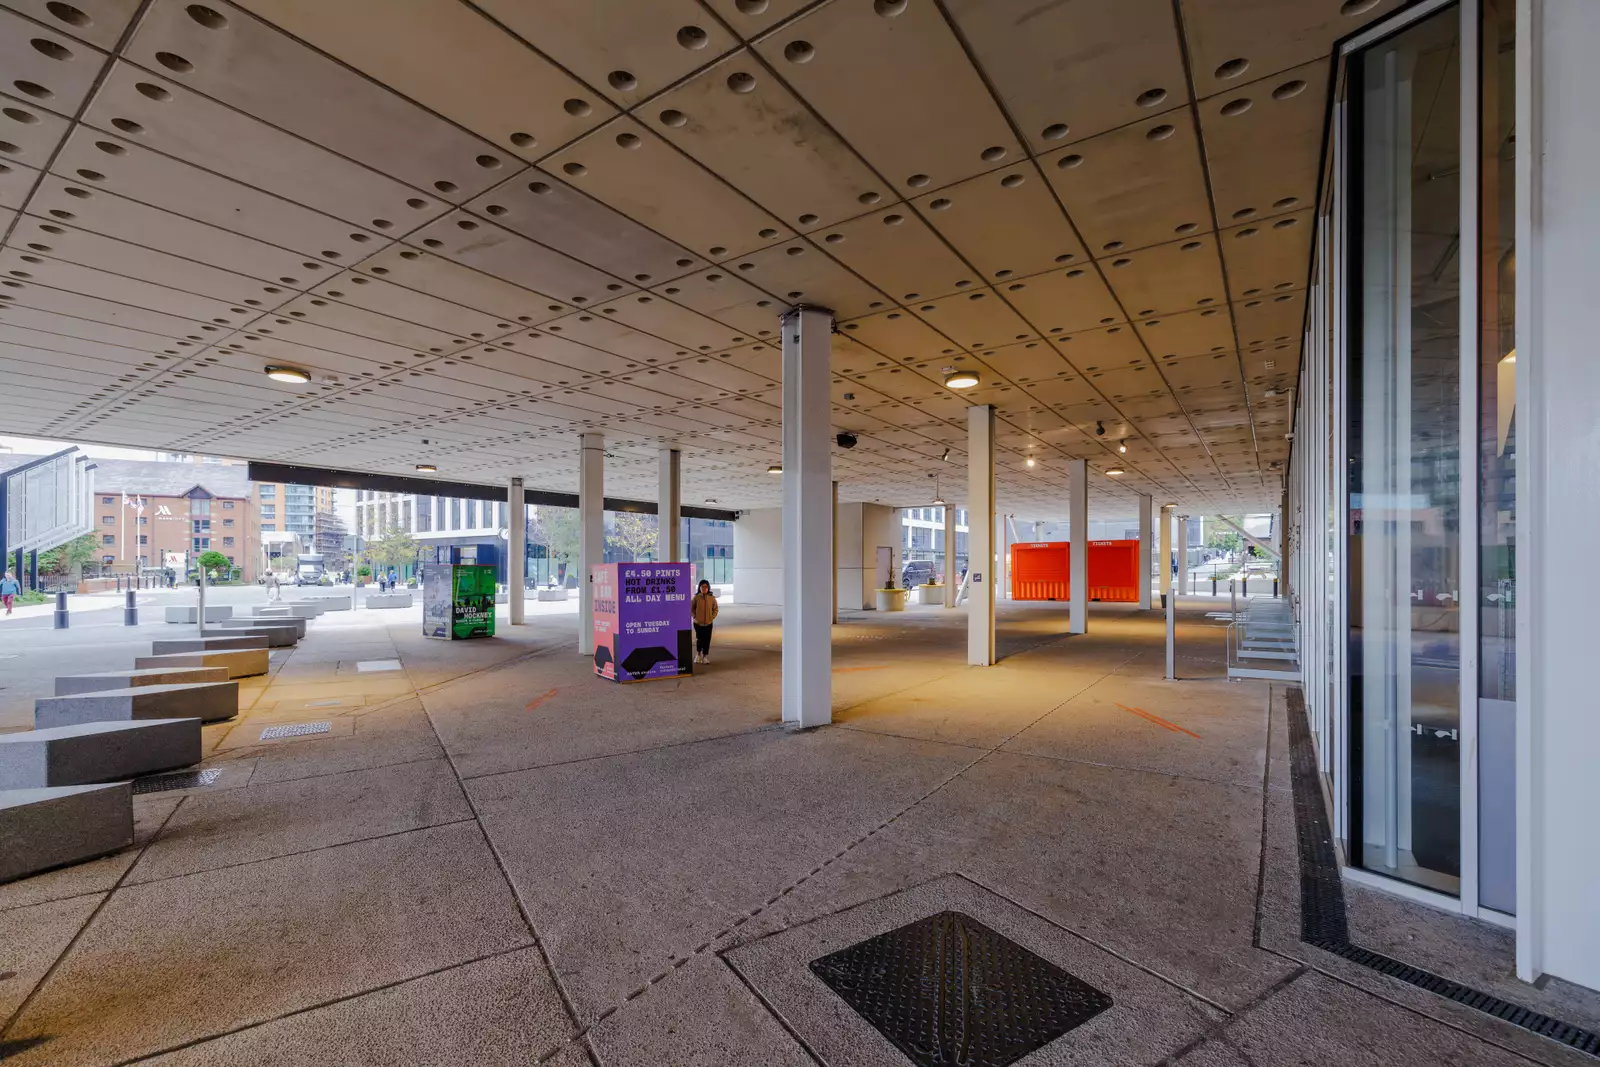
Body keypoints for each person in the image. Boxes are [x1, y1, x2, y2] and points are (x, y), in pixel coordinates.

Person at [691, 579, 718, 665]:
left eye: (706, 587)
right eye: (702, 586)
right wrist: (695, 616)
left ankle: (705, 656)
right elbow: (691, 608)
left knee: (707, 640)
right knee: (699, 639)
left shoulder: (712, 598)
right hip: (698, 623)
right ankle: (698, 655)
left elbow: (715, 609)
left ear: (708, 588)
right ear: (699, 587)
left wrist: (711, 617)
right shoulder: (696, 597)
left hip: (708, 624)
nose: (704, 588)